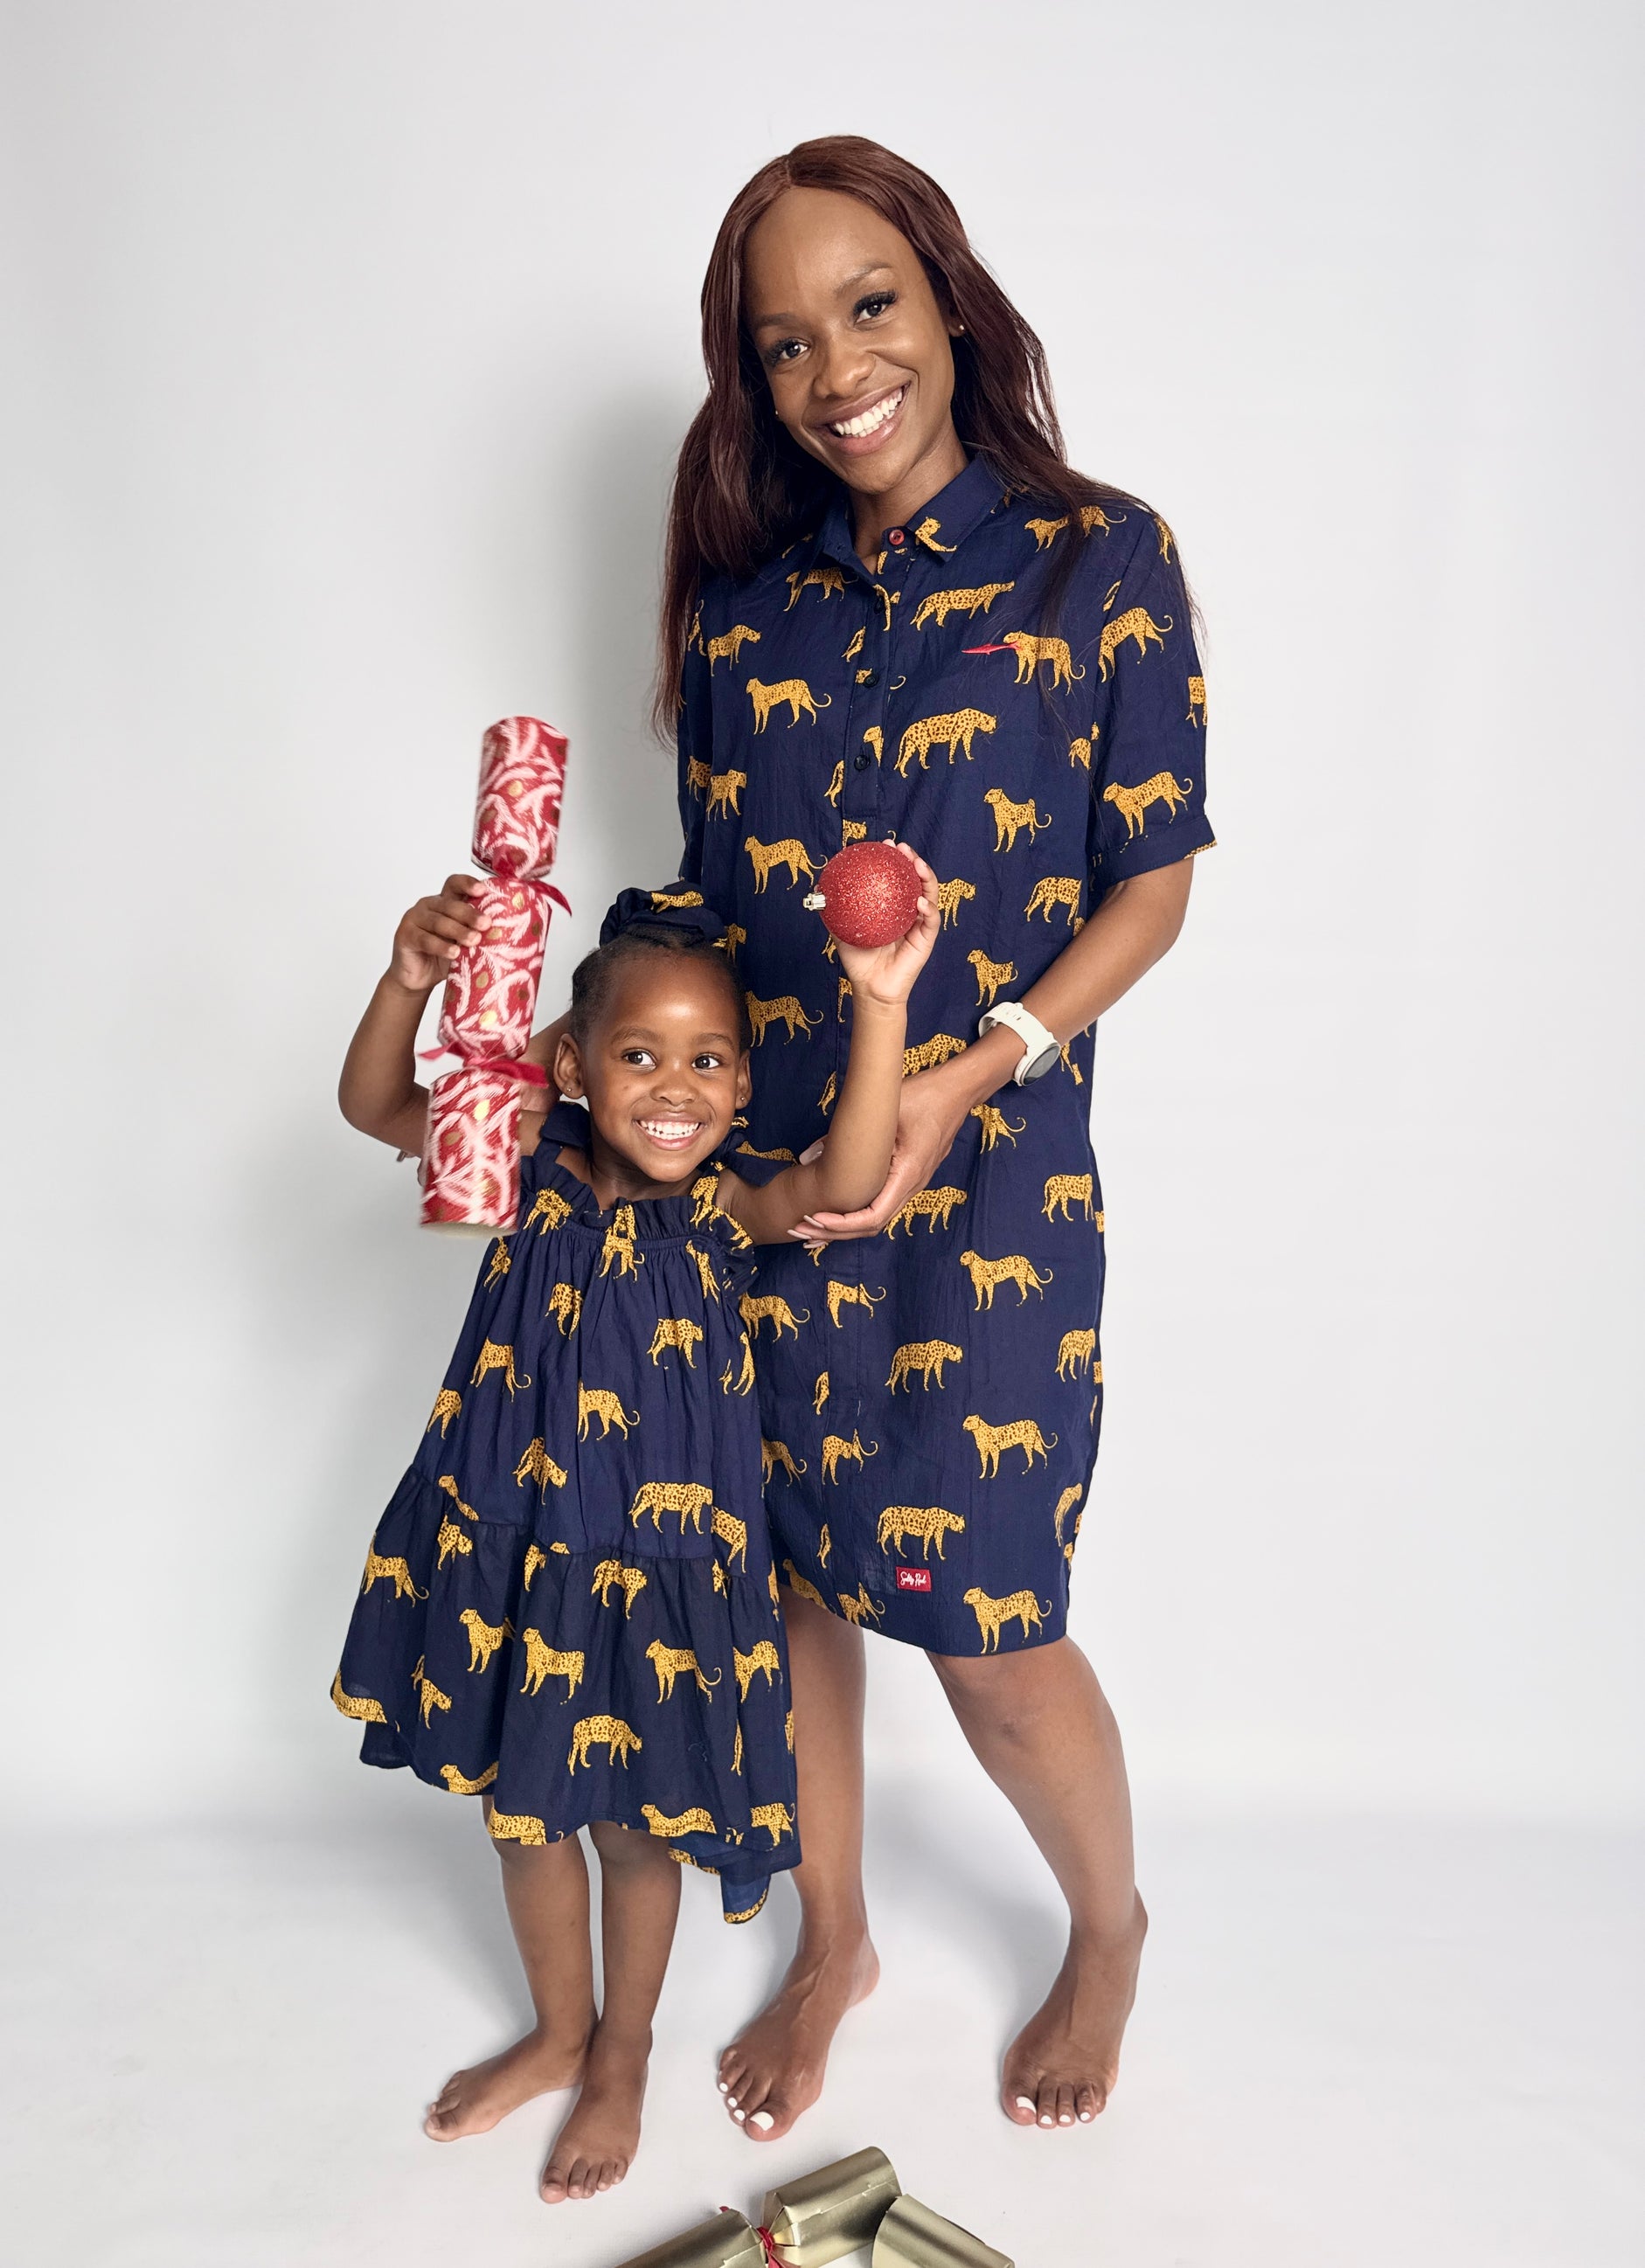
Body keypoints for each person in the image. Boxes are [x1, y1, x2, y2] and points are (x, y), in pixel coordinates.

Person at [531, 135, 1217, 2140]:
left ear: (945, 301)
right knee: (788, 1594)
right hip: (765, 1197)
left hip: (991, 1178)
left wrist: (970, 1066)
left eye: (868, 307)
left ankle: (1107, 1924)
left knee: (992, 1638)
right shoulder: (743, 621)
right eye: (783, 342)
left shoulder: (1099, 561)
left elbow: (1151, 884)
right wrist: (575, 1045)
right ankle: (835, 1938)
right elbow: (712, 918)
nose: (836, 369)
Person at [330, 858, 938, 2201]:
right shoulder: (521, 1161)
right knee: (522, 1814)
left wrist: (881, 1003)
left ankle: (622, 2051)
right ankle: (557, 2030)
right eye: (640, 1054)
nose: (676, 1087)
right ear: (571, 1064)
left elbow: (848, 1175)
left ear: (742, 1084)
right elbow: (375, 1105)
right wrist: (406, 981)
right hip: (514, 1546)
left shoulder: (723, 1208)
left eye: (708, 1060)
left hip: (659, 1572)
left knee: (634, 1830)